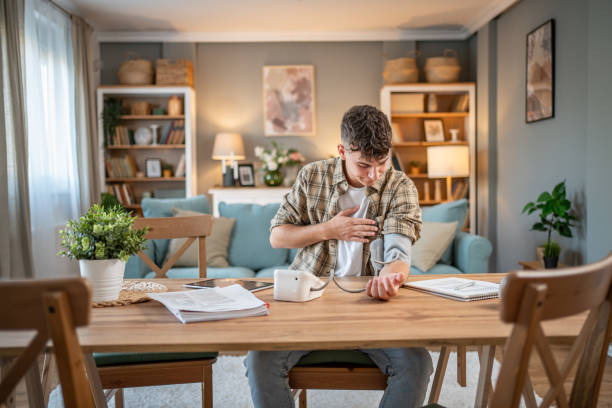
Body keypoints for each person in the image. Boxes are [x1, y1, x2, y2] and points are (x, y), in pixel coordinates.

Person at [245, 105, 433, 408]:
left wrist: (390, 281)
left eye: (382, 163)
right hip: (308, 304)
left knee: (417, 363)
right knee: (259, 360)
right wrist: (329, 229)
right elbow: (277, 236)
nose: (374, 175)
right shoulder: (312, 176)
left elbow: (399, 253)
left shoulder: (400, 186)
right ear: (342, 150)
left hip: (372, 310)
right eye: (364, 165)